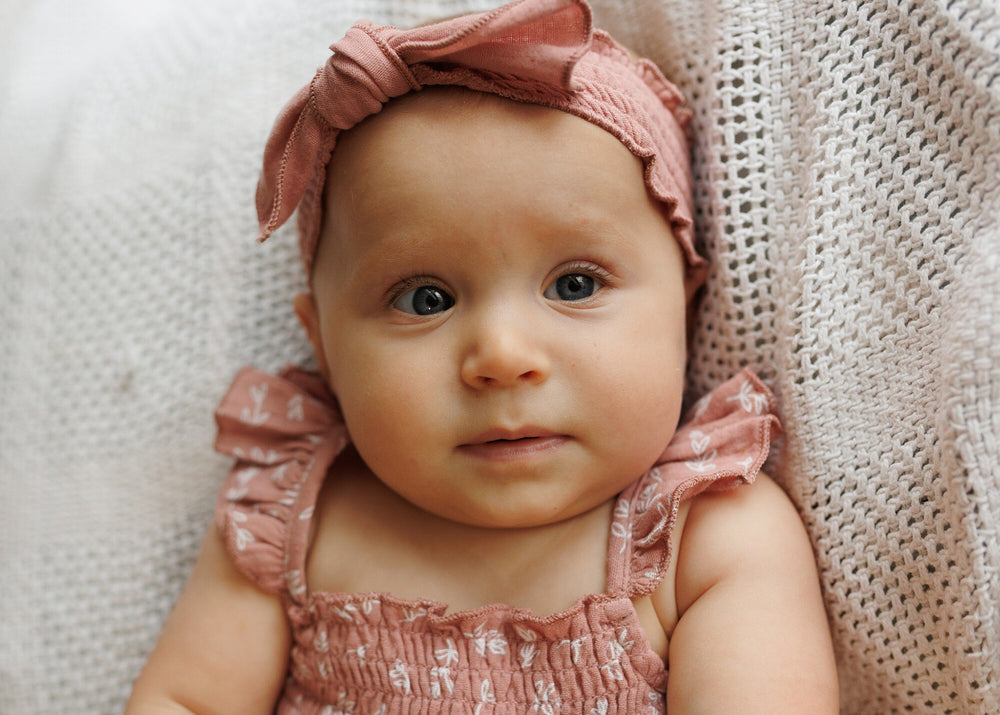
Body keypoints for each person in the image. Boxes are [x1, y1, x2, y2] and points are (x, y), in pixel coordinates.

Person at [125, 0, 838, 712]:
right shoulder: (290, 519)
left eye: (575, 284)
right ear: (323, 345)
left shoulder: (704, 540)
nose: (501, 356)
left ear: (684, 304)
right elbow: (186, 698)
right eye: (425, 299)